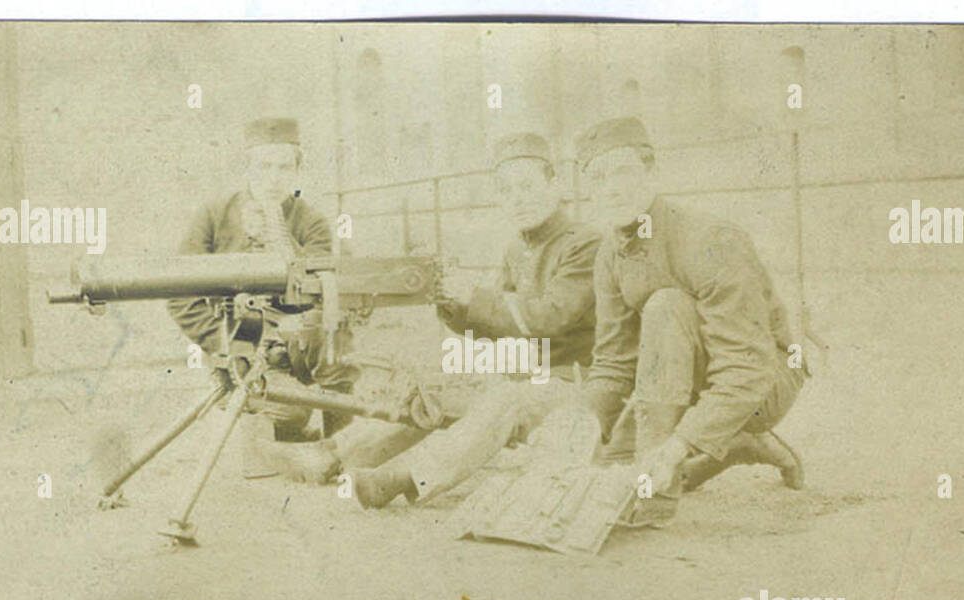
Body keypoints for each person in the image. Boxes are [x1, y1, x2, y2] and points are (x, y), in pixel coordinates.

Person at [261, 132, 602, 508]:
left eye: (527, 185)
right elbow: (494, 326)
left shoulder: (583, 243)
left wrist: (474, 297)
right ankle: (331, 454)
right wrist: (450, 304)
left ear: (554, 184)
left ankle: (406, 477)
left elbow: (549, 317)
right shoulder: (517, 247)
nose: (517, 198)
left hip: (573, 382)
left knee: (507, 397)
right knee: (428, 391)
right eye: (506, 190)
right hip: (521, 374)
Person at [575, 117, 805, 521]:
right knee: (591, 466)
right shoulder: (609, 254)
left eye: (624, 171)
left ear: (652, 171)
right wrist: (576, 425)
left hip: (765, 379)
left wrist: (673, 447)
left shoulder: (709, 239)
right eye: (597, 177)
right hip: (687, 384)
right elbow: (612, 362)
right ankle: (738, 445)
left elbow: (745, 370)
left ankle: (659, 494)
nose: (611, 187)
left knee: (666, 306)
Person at [168, 117, 357, 445]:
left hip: (295, 345)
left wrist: (279, 234)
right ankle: (267, 424)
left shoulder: (310, 221)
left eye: (284, 167)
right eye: (264, 166)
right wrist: (224, 342)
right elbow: (179, 294)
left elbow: (320, 288)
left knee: (337, 344)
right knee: (293, 413)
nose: (274, 178)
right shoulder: (214, 215)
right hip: (239, 344)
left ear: (297, 170)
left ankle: (343, 448)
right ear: (247, 167)